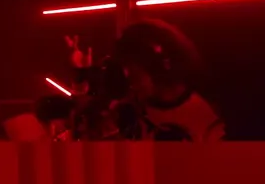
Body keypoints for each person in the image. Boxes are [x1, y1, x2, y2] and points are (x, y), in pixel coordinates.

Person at [64, 19, 224, 141]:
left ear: (156, 66)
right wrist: (80, 73)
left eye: (133, 70)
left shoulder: (203, 117)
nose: (128, 78)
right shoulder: (128, 111)